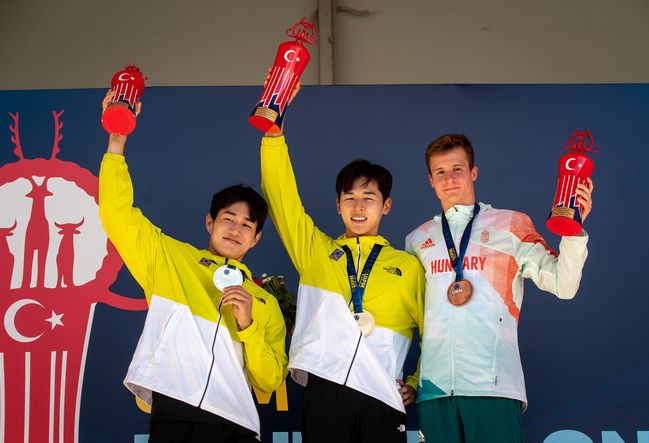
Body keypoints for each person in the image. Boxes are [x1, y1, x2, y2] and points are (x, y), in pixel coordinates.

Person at [98, 91, 288, 443]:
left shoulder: (264, 302)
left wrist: (247, 326)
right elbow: (116, 213)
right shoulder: (170, 258)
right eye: (228, 218)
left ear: (256, 238)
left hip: (237, 424)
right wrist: (117, 139)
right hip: (176, 413)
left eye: (247, 225)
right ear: (209, 222)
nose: (235, 229)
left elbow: (270, 379)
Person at [259, 83, 425, 443]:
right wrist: (274, 136)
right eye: (349, 197)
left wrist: (416, 382)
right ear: (338, 205)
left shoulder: (408, 267)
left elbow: (436, 333)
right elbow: (282, 200)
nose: (358, 206)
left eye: (369, 197)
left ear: (386, 206)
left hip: (383, 395)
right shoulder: (315, 252)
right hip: (325, 390)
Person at [405, 133, 594, 442]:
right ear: (430, 180)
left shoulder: (510, 225)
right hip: (434, 392)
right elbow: (413, 318)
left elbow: (564, 285)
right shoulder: (417, 239)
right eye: (440, 172)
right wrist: (414, 380)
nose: (449, 178)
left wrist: (573, 231)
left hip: (494, 388)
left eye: (457, 169)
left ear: (473, 172)